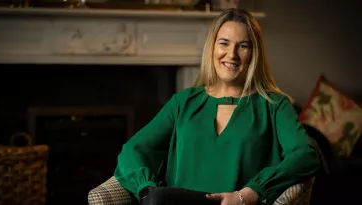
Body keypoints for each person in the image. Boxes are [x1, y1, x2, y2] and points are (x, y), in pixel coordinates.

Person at [114, 8, 321, 205]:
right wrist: (147, 191)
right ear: (212, 47)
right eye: (224, 43)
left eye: (243, 46)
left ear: (254, 55)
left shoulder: (274, 105)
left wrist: (250, 193)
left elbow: (305, 155)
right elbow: (133, 149)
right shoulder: (183, 102)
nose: (231, 54)